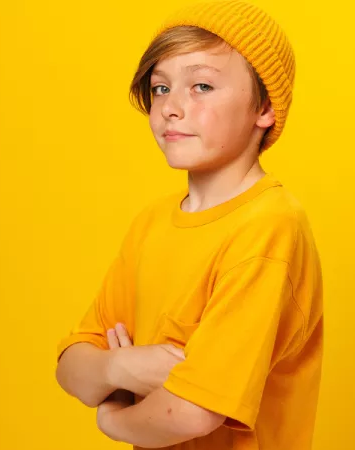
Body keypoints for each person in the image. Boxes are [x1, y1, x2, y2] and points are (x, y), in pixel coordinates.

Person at [55, 1, 324, 449]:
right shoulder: (152, 223)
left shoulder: (270, 227)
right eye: (160, 88)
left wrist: (114, 421)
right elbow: (72, 367)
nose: (171, 108)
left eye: (201, 85)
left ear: (264, 108)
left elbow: (193, 412)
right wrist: (122, 368)